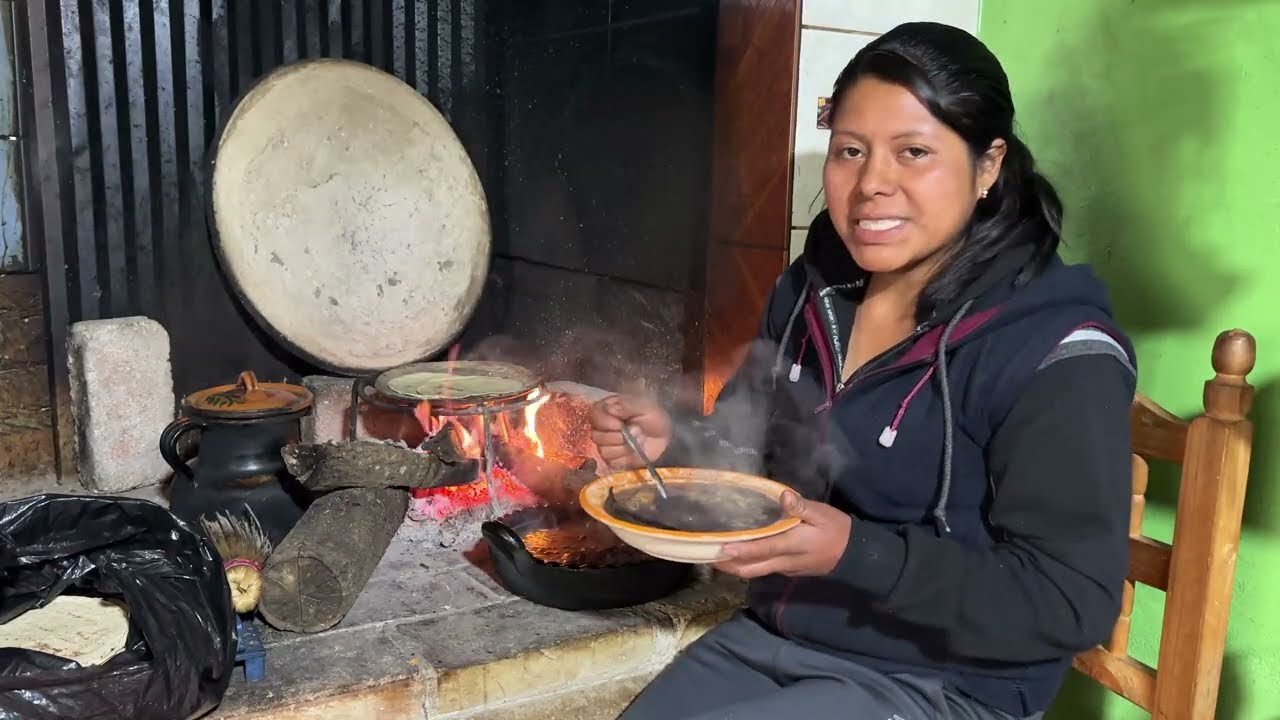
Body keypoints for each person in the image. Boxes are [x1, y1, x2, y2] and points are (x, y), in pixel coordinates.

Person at [589, 21, 1136, 720]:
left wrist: (854, 554)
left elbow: (1070, 601)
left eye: (914, 152)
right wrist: (673, 444)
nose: (871, 184)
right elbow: (750, 446)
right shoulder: (816, 291)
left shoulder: (1056, 349)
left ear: (988, 164)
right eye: (849, 151)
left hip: (944, 686)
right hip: (781, 635)